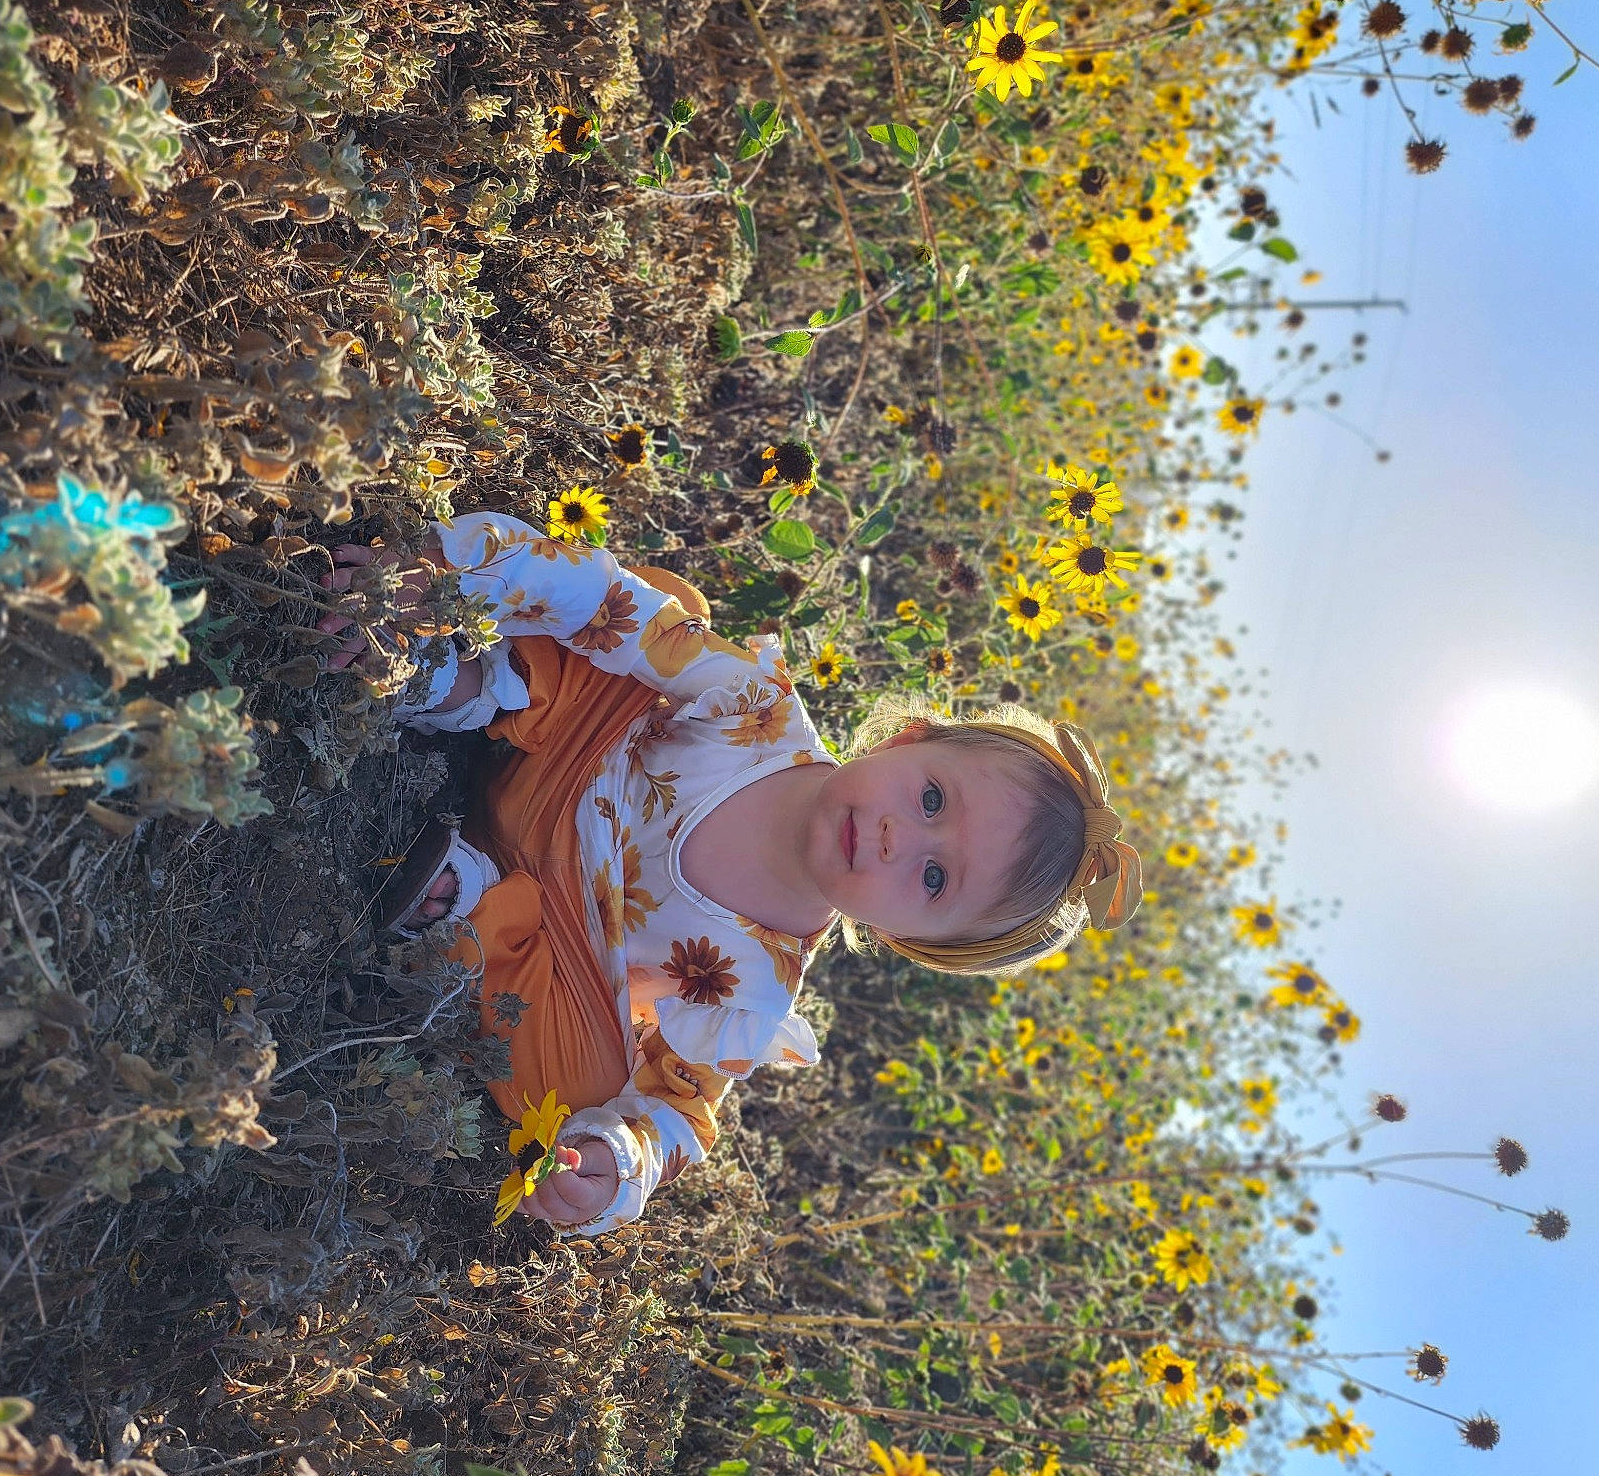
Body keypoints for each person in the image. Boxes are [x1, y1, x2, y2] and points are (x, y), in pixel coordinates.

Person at [319, 511, 1142, 1234]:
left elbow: (682, 1114)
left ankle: (467, 905)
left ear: (906, 938)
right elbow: (613, 606)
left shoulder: (755, 985)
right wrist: (456, 580)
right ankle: (448, 681)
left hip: (549, 921)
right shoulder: (758, 710)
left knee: (591, 1083)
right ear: (906, 739)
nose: (900, 838)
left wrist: (619, 1161)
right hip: (556, 747)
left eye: (935, 879)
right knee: (648, 609)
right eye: (932, 798)